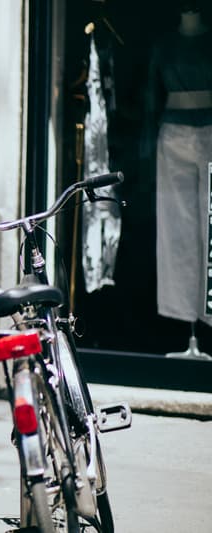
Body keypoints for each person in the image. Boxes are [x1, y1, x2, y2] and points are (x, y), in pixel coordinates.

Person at [143, 1, 212, 335]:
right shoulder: (164, 45)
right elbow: (150, 96)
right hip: (173, 135)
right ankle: (184, 316)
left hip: (208, 130)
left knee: (208, 223)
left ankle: (205, 313)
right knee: (177, 224)